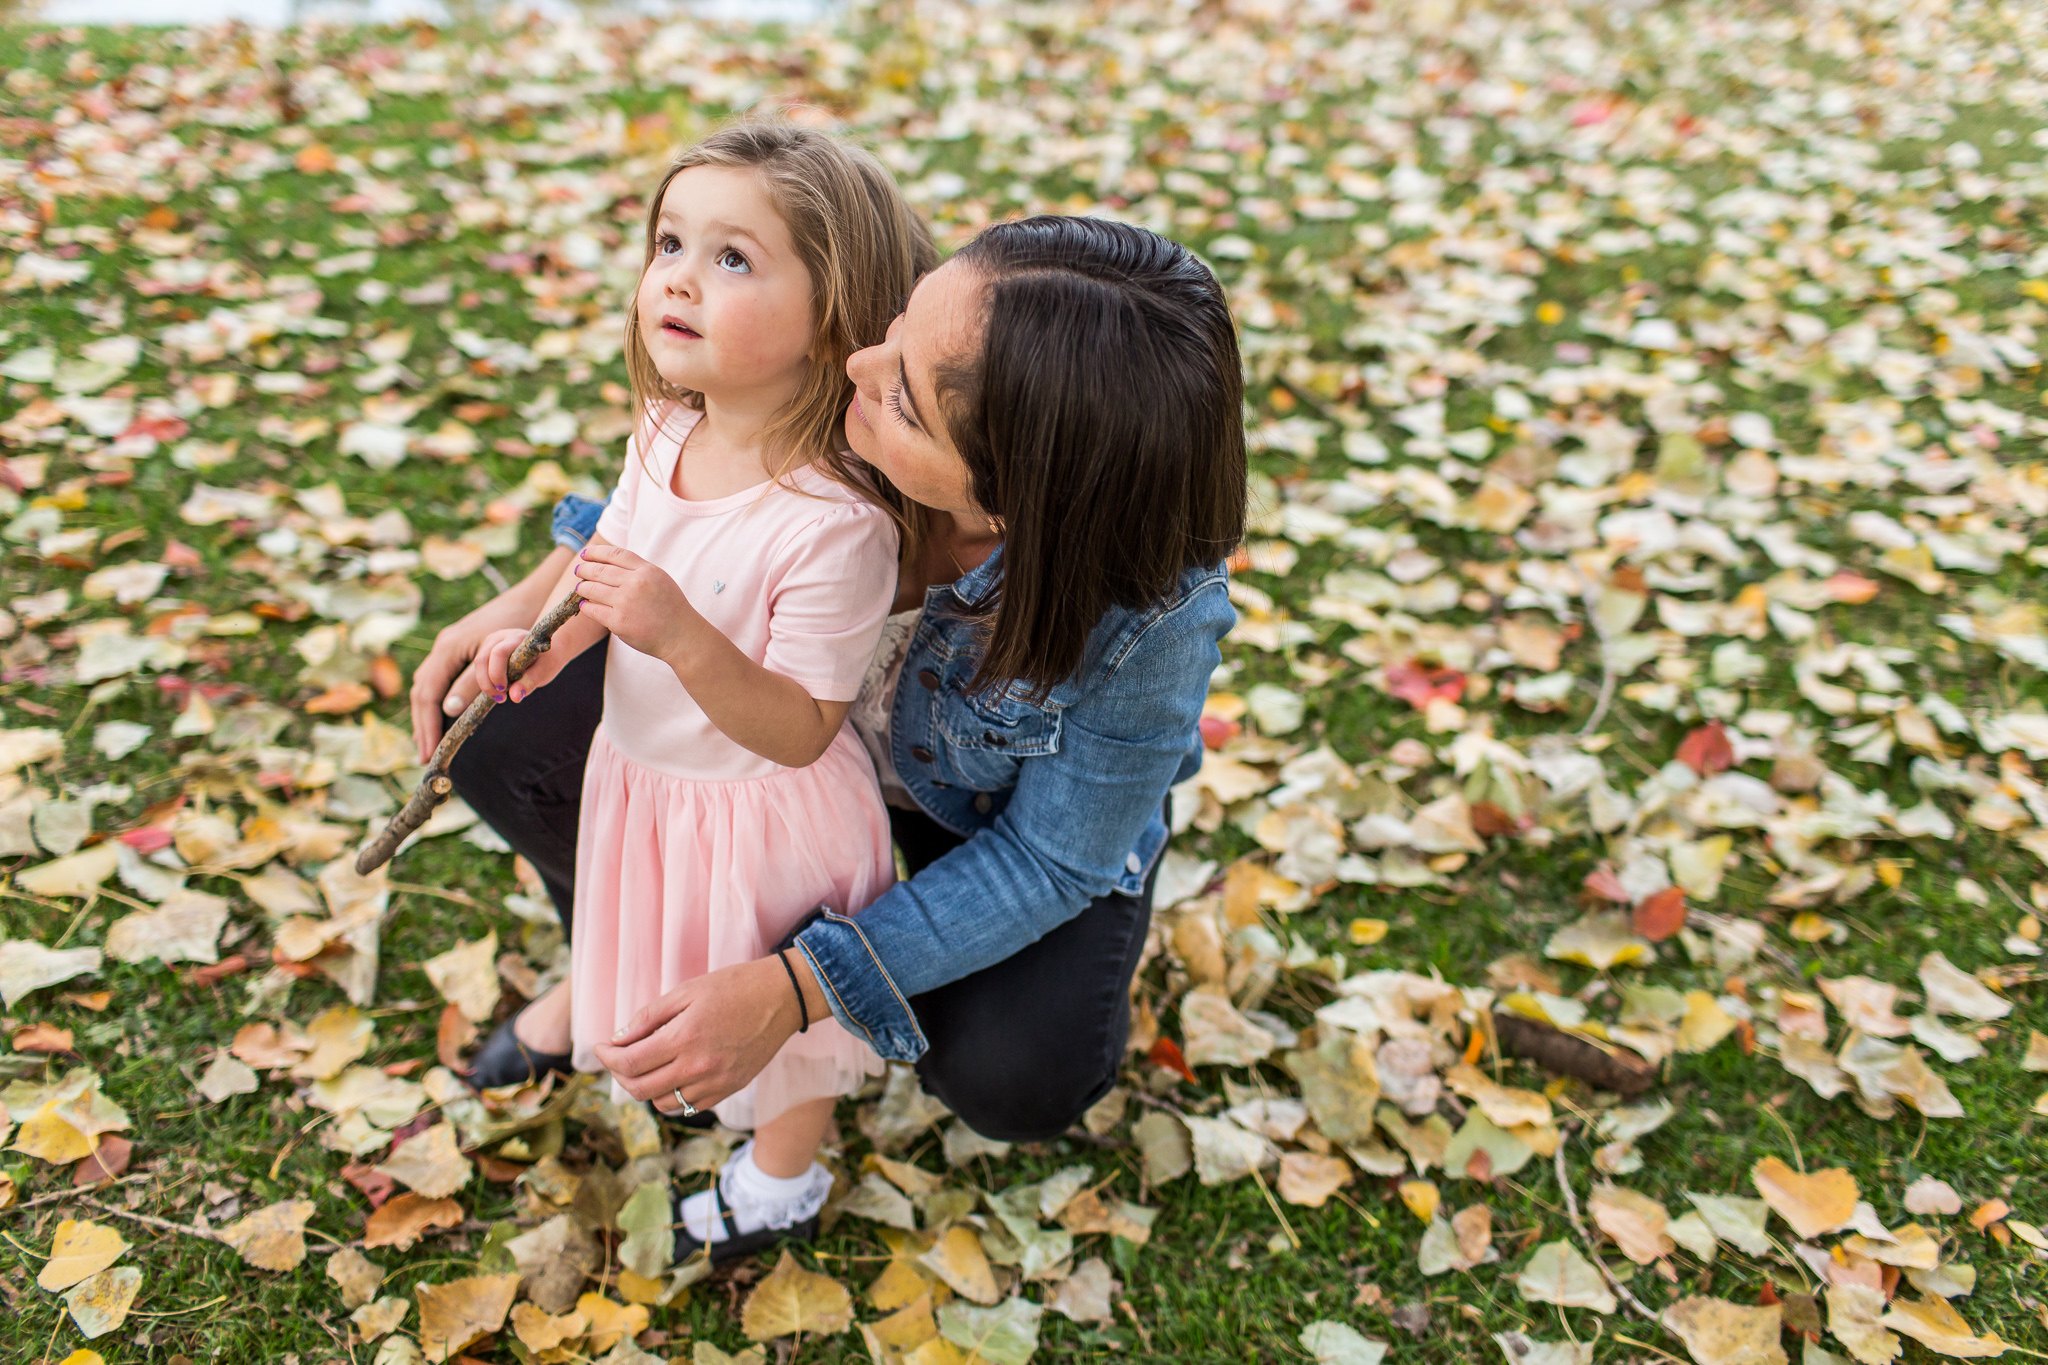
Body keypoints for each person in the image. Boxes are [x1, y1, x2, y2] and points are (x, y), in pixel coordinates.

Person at [410, 214, 1246, 1259]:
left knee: (1012, 1078)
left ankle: (783, 1036)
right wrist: (517, 611)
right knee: (497, 722)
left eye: (899, 392)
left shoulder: (1151, 614)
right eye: (898, 319)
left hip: (984, 816)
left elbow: (1049, 857)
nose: (855, 359)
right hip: (751, 766)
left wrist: (800, 987)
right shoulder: (920, 349)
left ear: (1011, 498)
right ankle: (617, 949)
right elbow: (667, 489)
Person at [456, 119, 939, 1262]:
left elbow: (797, 726)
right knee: (656, 926)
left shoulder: (836, 522)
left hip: (761, 814)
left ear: (832, 315)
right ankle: (612, 1010)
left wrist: (677, 634)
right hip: (651, 776)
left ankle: (781, 1173)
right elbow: (601, 577)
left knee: (775, 1015)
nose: (676, 275)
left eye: (733, 258)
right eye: (670, 242)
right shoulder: (663, 431)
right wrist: (542, 644)